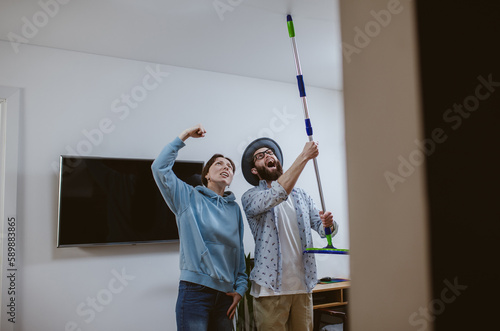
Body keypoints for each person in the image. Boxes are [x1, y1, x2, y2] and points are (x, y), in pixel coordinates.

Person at [151, 124, 248, 331]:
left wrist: (240, 288)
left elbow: (238, 253)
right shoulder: (188, 197)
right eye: (219, 164)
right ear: (206, 175)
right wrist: (184, 136)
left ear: (230, 180)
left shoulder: (234, 210)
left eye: (229, 167)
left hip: (225, 297)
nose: (226, 167)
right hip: (194, 293)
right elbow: (159, 168)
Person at [241, 137, 338, 331]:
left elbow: (322, 228)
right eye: (260, 156)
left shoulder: (301, 195)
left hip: (303, 287)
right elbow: (278, 193)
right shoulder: (251, 197)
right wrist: (304, 156)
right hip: (270, 291)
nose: (268, 155)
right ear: (254, 170)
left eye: (270, 152)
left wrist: (329, 224)